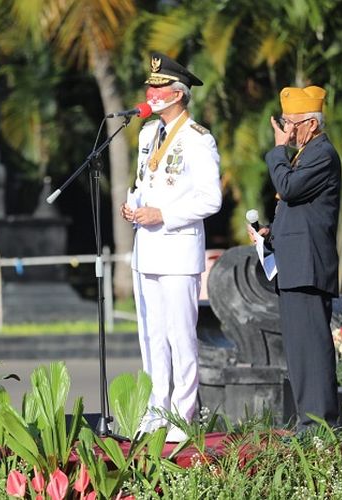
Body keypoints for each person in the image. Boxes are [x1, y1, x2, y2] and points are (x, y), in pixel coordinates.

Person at [120, 52, 222, 442]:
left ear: (177, 94)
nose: (151, 92)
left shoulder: (198, 139)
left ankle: (184, 414)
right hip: (147, 248)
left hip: (178, 249)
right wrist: (134, 203)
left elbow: (210, 199)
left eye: (159, 87)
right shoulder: (147, 135)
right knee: (151, 334)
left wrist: (163, 213)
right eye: (150, 86)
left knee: (181, 335)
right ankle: (156, 408)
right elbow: (146, 183)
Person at [253, 85, 341, 431]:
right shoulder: (305, 153)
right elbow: (301, 210)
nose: (287, 130)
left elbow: (288, 189)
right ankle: (308, 421)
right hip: (294, 265)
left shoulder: (322, 153)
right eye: (285, 123)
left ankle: (320, 426)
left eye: (292, 123)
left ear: (312, 124)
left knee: (312, 349)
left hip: (308, 266)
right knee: (299, 352)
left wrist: (276, 149)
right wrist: (270, 233)